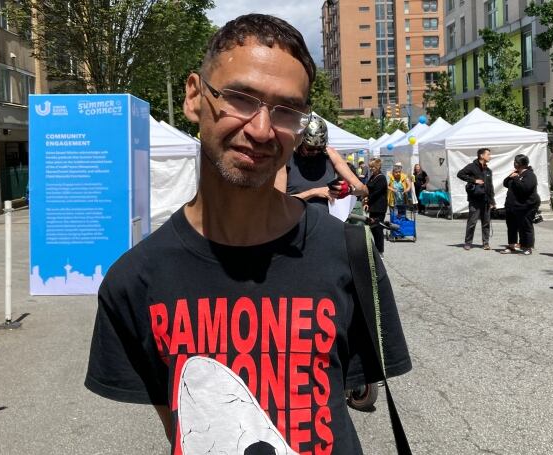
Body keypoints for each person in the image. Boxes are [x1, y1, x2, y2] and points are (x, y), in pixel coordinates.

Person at [84, 14, 411, 455]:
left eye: (286, 110)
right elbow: (184, 425)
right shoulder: (134, 281)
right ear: (194, 96)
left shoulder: (349, 254)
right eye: (240, 97)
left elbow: (343, 401)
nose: (260, 129)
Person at [276, 116, 367, 207]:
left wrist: (349, 189)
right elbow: (279, 203)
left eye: (320, 148)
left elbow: (362, 189)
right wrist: (314, 192)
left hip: (323, 218)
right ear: (300, 142)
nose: (315, 151)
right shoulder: (286, 157)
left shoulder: (330, 154)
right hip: (296, 219)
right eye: (310, 148)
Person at [500, 154, 540, 255]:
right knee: (511, 226)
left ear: (522, 164)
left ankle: (527, 247)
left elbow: (525, 189)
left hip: (526, 206)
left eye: (516, 162)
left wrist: (516, 178)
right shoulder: (516, 173)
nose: (514, 164)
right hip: (512, 205)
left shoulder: (530, 175)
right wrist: (511, 176)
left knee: (525, 226)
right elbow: (505, 183)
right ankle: (512, 245)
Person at [457, 148, 495, 250]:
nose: (490, 156)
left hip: (486, 200)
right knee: (472, 222)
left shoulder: (488, 170)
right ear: (481, 156)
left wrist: (492, 200)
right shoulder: (472, 166)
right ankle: (468, 242)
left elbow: (490, 186)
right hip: (475, 200)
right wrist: (474, 180)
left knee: (486, 223)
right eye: (488, 154)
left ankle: (485, 243)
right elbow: (460, 174)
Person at [363, 158, 388, 254]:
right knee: (373, 228)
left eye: (373, 167)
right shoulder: (373, 176)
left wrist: (367, 201)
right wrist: (365, 199)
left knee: (378, 229)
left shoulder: (381, 178)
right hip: (373, 206)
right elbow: (367, 188)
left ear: (378, 167)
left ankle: (380, 251)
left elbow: (376, 193)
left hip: (379, 207)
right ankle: (376, 250)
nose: (371, 168)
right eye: (370, 167)